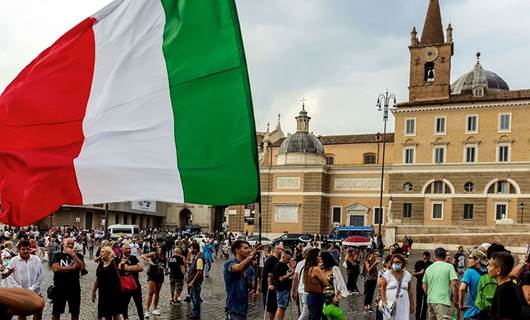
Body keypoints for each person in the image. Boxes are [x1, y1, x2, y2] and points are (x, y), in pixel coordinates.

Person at [7, 239, 44, 320]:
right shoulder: (13, 261)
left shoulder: (36, 259)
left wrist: (33, 288)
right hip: (20, 294)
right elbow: (10, 277)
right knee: (21, 314)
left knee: (38, 312)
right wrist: (21, 290)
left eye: (28, 249)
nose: (26, 251)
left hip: (35, 292)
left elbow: (40, 275)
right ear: (18, 250)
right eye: (23, 249)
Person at [224, 240, 261, 319]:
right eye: (246, 248)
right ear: (237, 250)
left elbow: (253, 284)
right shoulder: (229, 263)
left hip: (244, 309)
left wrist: (255, 291)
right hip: (233, 308)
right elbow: (239, 268)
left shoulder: (250, 268)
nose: (249, 250)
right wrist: (252, 255)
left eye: (249, 248)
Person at [50, 238, 85, 320]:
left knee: (75, 313)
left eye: (72, 244)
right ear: (63, 245)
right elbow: (56, 268)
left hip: (74, 288)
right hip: (59, 287)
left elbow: (81, 267)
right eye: (68, 243)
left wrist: (73, 255)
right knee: (56, 312)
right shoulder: (57, 255)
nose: (70, 245)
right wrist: (72, 268)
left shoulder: (78, 256)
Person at [422, 247, 459, 320]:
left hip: (430, 301)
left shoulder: (429, 268)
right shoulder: (449, 267)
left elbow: (424, 285)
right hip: (443, 301)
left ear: (435, 256)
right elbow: (454, 284)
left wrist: (429, 294)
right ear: (445, 256)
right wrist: (456, 299)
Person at [379, 254, 414, 320]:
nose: (396, 264)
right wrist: (384, 301)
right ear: (391, 263)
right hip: (390, 304)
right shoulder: (387, 274)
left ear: (402, 263)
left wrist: (412, 304)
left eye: (398, 262)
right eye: (394, 262)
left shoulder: (407, 275)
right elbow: (382, 288)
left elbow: (410, 290)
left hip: (404, 304)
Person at [91, 246, 122, 320]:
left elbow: (122, 269)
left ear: (108, 253)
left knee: (115, 314)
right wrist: (94, 291)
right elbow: (98, 278)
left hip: (114, 292)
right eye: (101, 251)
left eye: (102, 252)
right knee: (106, 314)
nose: (100, 253)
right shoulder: (101, 264)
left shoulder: (115, 261)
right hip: (103, 293)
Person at [488, 251, 520, 319]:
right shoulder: (509, 286)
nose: (487, 267)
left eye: (490, 265)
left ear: (498, 271)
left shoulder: (505, 290)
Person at [458, 249, 487, 320]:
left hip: (471, 312)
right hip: (486, 312)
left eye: (470, 258)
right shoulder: (489, 273)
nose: (467, 260)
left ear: (477, 260)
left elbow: (462, 289)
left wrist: (461, 305)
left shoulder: (469, 272)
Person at [120, 243, 144, 320]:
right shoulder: (119, 258)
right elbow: (121, 267)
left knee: (139, 304)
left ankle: (141, 318)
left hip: (136, 285)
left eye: (129, 248)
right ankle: (125, 318)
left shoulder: (133, 258)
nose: (128, 250)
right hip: (125, 286)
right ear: (122, 250)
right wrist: (134, 267)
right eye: (126, 249)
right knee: (124, 304)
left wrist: (127, 268)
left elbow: (141, 268)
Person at [321, 251, 348, 320]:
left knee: (333, 316)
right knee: (324, 316)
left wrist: (336, 296)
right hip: (321, 297)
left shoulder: (335, 269)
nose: (320, 261)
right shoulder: (319, 270)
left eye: (321, 259)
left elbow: (339, 283)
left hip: (332, 298)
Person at [303, 248, 329, 320]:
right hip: (318, 296)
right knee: (319, 316)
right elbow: (326, 283)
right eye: (318, 256)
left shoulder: (307, 268)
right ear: (314, 257)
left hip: (310, 295)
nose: (320, 258)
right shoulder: (316, 269)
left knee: (312, 316)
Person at [141, 246, 167, 317]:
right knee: (151, 292)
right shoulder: (154, 253)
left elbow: (165, 267)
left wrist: (166, 270)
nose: (159, 249)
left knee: (157, 293)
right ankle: (147, 310)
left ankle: (155, 309)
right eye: (158, 248)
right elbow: (142, 255)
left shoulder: (165, 257)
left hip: (160, 276)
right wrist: (149, 260)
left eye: (160, 248)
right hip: (152, 275)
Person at [262, 245, 284, 320]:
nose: (283, 251)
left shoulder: (275, 259)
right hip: (270, 288)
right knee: (271, 310)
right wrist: (270, 284)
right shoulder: (271, 259)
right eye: (282, 249)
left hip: (274, 288)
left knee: (274, 309)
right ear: (277, 249)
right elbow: (269, 275)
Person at [273, 251, 294, 320]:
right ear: (283, 257)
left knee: (283, 308)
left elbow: (285, 275)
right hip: (281, 289)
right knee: (281, 307)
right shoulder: (279, 265)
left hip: (285, 289)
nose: (288, 261)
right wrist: (290, 274)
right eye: (288, 259)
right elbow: (281, 278)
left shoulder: (284, 265)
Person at [291, 247, 311, 320]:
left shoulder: (300, 263)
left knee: (303, 312)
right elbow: (295, 278)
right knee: (306, 313)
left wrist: (293, 291)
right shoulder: (312, 264)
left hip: (300, 291)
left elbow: (295, 278)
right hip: (307, 292)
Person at [187, 242, 205, 319]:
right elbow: (192, 264)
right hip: (193, 280)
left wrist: (192, 281)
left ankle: (196, 314)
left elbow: (199, 272)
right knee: (193, 296)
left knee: (195, 297)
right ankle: (194, 312)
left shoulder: (199, 258)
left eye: (191, 248)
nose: (190, 250)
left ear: (194, 249)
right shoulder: (196, 256)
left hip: (196, 281)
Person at [413, 251, 432, 320]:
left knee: (426, 303)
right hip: (419, 285)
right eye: (424, 257)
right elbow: (414, 274)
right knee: (419, 302)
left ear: (429, 257)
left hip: (428, 285)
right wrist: (420, 273)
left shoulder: (431, 264)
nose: (425, 259)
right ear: (423, 256)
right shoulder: (418, 263)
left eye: (427, 257)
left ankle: (423, 317)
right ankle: (417, 317)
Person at [363, 248, 379, 313]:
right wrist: (374, 264)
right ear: (370, 255)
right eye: (373, 254)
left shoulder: (374, 260)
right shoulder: (367, 261)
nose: (374, 256)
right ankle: (365, 307)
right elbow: (369, 270)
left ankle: (369, 306)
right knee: (368, 293)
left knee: (371, 293)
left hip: (374, 279)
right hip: (368, 279)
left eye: (375, 254)